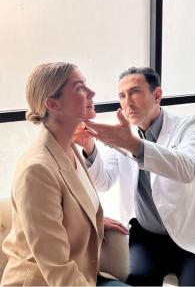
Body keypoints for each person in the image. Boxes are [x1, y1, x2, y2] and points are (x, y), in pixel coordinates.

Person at [74, 67, 195, 286]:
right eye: (122, 96)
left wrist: (133, 145)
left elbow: (188, 168)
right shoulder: (123, 133)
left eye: (135, 92)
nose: (127, 102)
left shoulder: (190, 127)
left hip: (194, 236)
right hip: (147, 237)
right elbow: (104, 181)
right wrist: (89, 147)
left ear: (157, 95)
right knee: (138, 280)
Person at [1, 62, 128, 286]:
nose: (92, 93)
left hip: (83, 273)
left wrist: (91, 222)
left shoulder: (69, 149)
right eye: (80, 87)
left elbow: (69, 204)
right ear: (53, 104)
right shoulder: (37, 171)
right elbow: (57, 269)